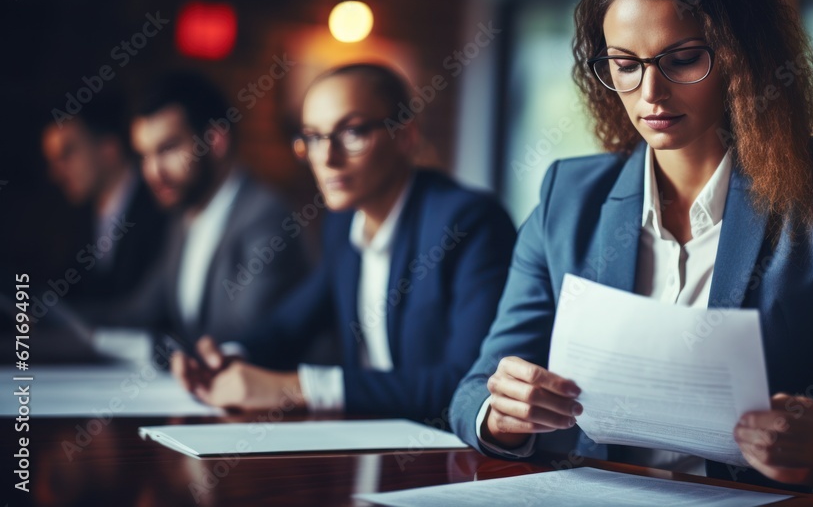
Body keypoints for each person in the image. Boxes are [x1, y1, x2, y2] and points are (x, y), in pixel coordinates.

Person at [450, 0, 813, 497]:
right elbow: (473, 391)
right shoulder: (567, 197)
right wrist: (501, 414)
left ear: (743, 56)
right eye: (625, 65)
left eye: (681, 60)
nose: (649, 93)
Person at [171, 63, 517, 422]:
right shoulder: (342, 222)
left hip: (448, 454)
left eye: (351, 132)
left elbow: (468, 383)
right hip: (366, 445)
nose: (327, 158)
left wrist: (294, 388)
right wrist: (226, 358)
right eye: (313, 137)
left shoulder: (469, 222)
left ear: (405, 136)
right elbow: (290, 325)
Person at [98, 72, 310, 355]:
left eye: (168, 149)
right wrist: (50, 317)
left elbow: (243, 335)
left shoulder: (267, 217)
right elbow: (140, 311)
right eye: (145, 155)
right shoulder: (183, 217)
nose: (152, 172)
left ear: (216, 141)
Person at [41, 91, 167, 303]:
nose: (56, 174)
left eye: (67, 153)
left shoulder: (162, 209)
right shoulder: (76, 220)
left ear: (109, 150)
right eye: (52, 161)